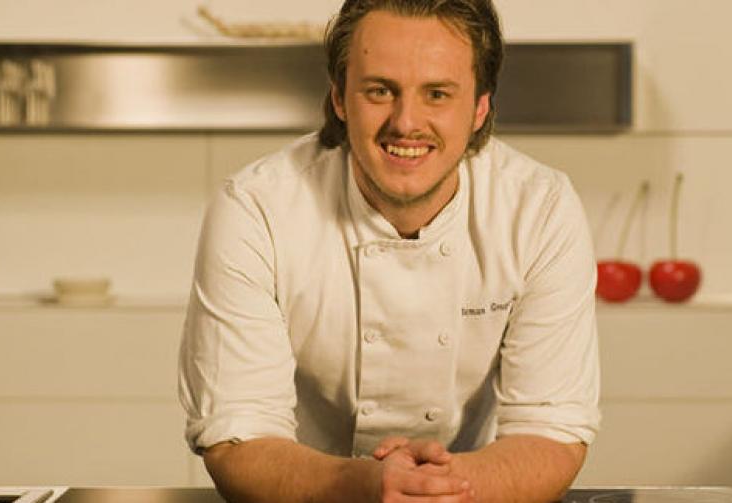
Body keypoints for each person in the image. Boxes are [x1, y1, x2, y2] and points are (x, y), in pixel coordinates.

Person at [177, 0, 600, 501]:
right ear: (339, 98)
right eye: (380, 91)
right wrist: (363, 484)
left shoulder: (539, 209)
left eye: (437, 94)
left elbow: (551, 432)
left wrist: (430, 488)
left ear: (480, 108)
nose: (405, 122)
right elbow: (237, 438)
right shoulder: (256, 210)